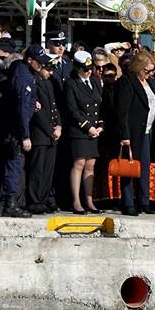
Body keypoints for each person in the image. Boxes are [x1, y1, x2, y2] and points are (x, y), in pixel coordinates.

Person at [0, 45, 54, 218]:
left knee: (15, 166)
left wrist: (33, 102)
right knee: (15, 166)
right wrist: (25, 136)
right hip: (16, 129)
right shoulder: (23, 76)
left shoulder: (22, 69)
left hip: (12, 125)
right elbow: (22, 108)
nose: (42, 66)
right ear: (30, 60)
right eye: (39, 62)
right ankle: (10, 204)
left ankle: (11, 202)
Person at [115, 50, 155, 216]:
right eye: (146, 70)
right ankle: (128, 203)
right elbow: (122, 112)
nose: (149, 74)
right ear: (138, 67)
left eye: (151, 71)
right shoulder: (127, 82)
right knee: (129, 167)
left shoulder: (150, 83)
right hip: (132, 132)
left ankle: (144, 201)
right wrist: (124, 135)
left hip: (146, 131)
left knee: (144, 167)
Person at [65, 50, 103, 214]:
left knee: (90, 165)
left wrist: (100, 124)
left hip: (94, 129)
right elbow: (72, 109)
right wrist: (88, 127)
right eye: (84, 69)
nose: (88, 72)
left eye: (90, 68)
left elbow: (99, 105)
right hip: (80, 129)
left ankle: (89, 199)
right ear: (77, 68)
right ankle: (76, 201)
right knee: (79, 164)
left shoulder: (94, 82)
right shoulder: (71, 84)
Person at [26, 58, 60, 214]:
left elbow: (54, 107)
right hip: (40, 133)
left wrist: (58, 125)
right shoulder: (35, 83)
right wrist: (50, 129)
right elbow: (37, 112)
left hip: (52, 133)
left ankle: (44, 198)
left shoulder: (48, 83)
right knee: (37, 169)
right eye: (48, 69)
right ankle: (35, 199)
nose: (51, 73)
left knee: (48, 170)